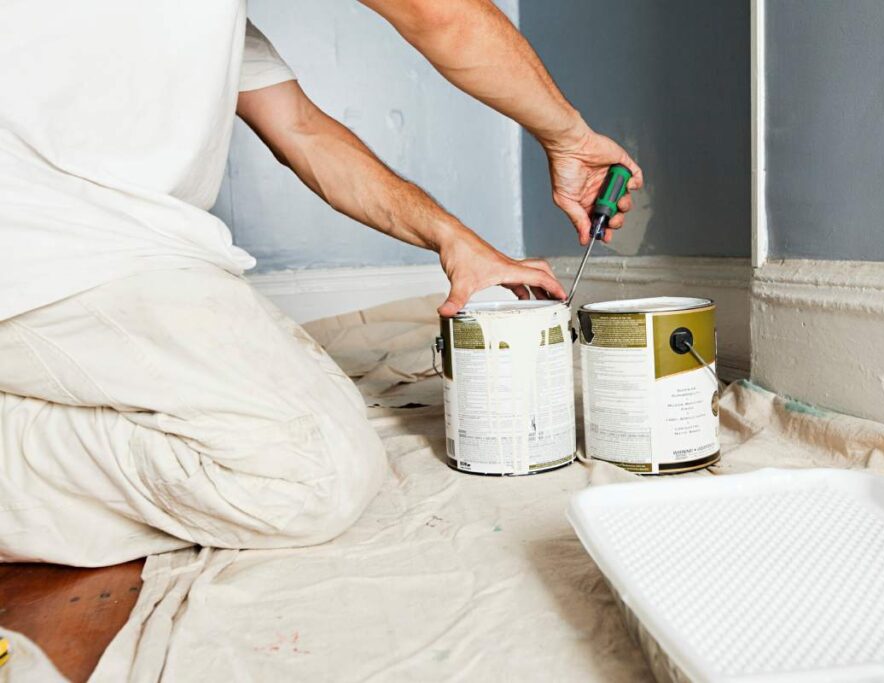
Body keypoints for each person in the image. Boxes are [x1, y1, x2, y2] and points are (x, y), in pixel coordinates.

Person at [0, 0, 643, 566]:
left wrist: (455, 239)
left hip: (104, 252)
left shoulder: (204, 26)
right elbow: (437, 12)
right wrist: (569, 137)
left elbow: (304, 133)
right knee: (311, 478)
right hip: (44, 247)